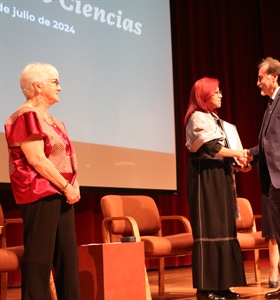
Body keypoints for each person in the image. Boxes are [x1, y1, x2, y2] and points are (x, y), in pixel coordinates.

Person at [4, 62, 81, 300]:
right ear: (37, 86)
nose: (60, 88)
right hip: (39, 192)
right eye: (55, 82)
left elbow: (67, 156)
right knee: (39, 259)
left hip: (60, 192)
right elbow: (37, 159)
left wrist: (73, 184)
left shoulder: (55, 121)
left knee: (68, 258)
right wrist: (66, 185)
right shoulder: (25, 117)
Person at [185, 77, 249, 300]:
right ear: (204, 96)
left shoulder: (217, 120)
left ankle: (223, 285)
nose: (221, 95)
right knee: (209, 230)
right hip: (205, 179)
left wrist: (240, 164)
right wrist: (238, 154)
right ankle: (205, 288)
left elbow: (226, 149)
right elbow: (212, 147)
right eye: (216, 92)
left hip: (220, 177)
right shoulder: (197, 118)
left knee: (224, 230)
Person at [248, 57, 280, 299]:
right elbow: (266, 143)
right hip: (270, 179)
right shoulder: (270, 105)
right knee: (275, 231)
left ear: (274, 76)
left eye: (261, 77)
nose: (258, 82)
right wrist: (248, 154)